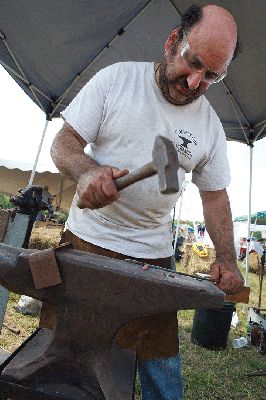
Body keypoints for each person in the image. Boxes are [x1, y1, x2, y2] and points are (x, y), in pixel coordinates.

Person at [50, 4, 244, 399]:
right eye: (192, 63)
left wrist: (227, 257)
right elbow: (64, 143)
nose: (194, 82)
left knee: (161, 368)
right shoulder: (116, 80)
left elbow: (215, 196)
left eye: (211, 75)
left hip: (152, 256)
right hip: (87, 242)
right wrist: (87, 172)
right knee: (65, 355)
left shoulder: (208, 126)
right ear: (173, 41)